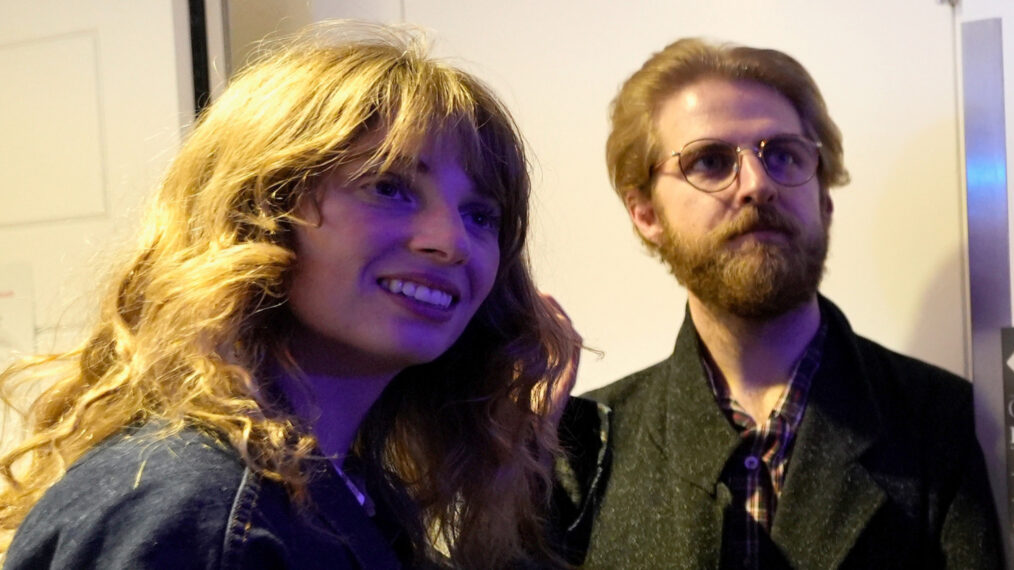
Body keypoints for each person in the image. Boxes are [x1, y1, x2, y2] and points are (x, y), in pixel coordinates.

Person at [0, 22, 581, 569]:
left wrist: (511, 472)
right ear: (258, 212)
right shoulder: (195, 511)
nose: (452, 242)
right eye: (388, 187)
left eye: (480, 214)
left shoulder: (348, 491)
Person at [577, 38, 1004, 568]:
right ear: (645, 213)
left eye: (782, 155)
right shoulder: (585, 443)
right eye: (709, 161)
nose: (758, 185)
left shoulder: (943, 422)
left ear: (823, 197)